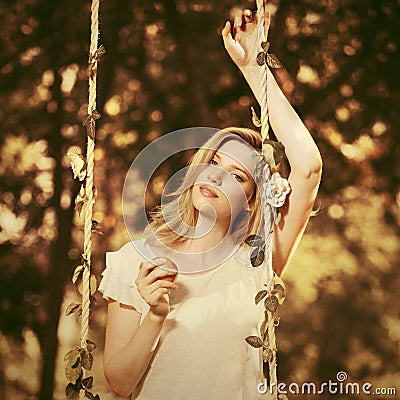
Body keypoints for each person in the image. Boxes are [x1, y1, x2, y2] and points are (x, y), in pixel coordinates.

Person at [99, 4, 322, 400]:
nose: (218, 176)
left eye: (237, 176)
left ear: (251, 204)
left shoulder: (256, 263)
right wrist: (155, 315)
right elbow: (119, 383)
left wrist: (254, 68)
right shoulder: (133, 262)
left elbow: (307, 166)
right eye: (215, 163)